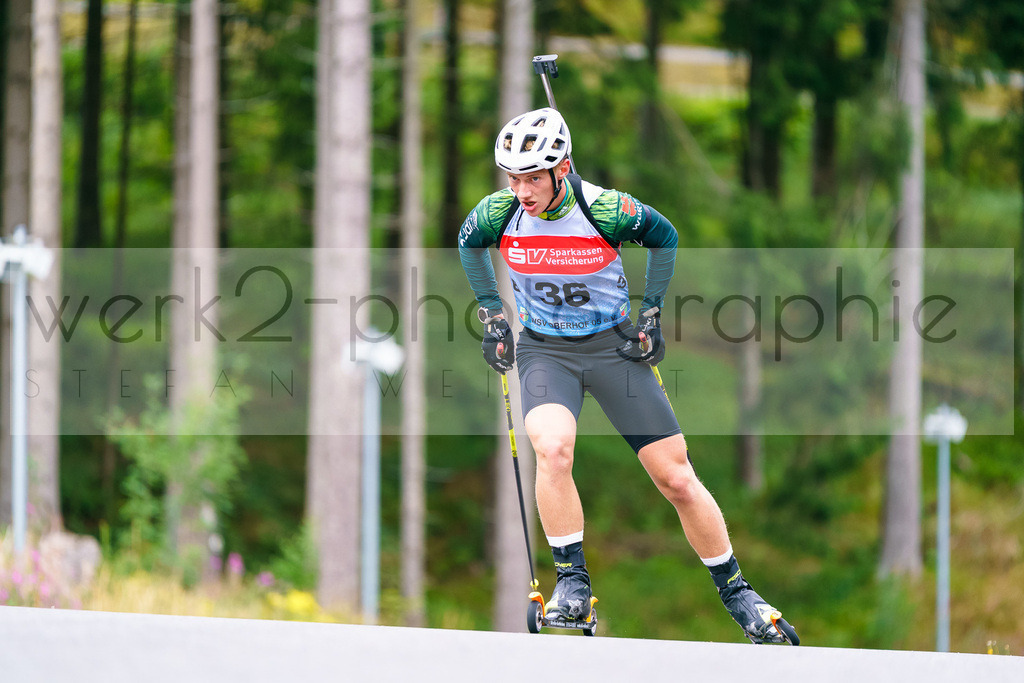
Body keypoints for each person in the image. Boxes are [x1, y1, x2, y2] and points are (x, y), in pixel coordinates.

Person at [457, 107, 793, 643]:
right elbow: (467, 244)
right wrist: (492, 314)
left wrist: (652, 313)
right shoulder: (499, 212)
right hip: (547, 352)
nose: (521, 190)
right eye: (514, 178)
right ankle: (572, 584)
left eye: (533, 178)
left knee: (676, 477)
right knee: (552, 448)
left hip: (614, 350)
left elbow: (665, 236)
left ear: (561, 168)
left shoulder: (606, 209)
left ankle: (739, 594)